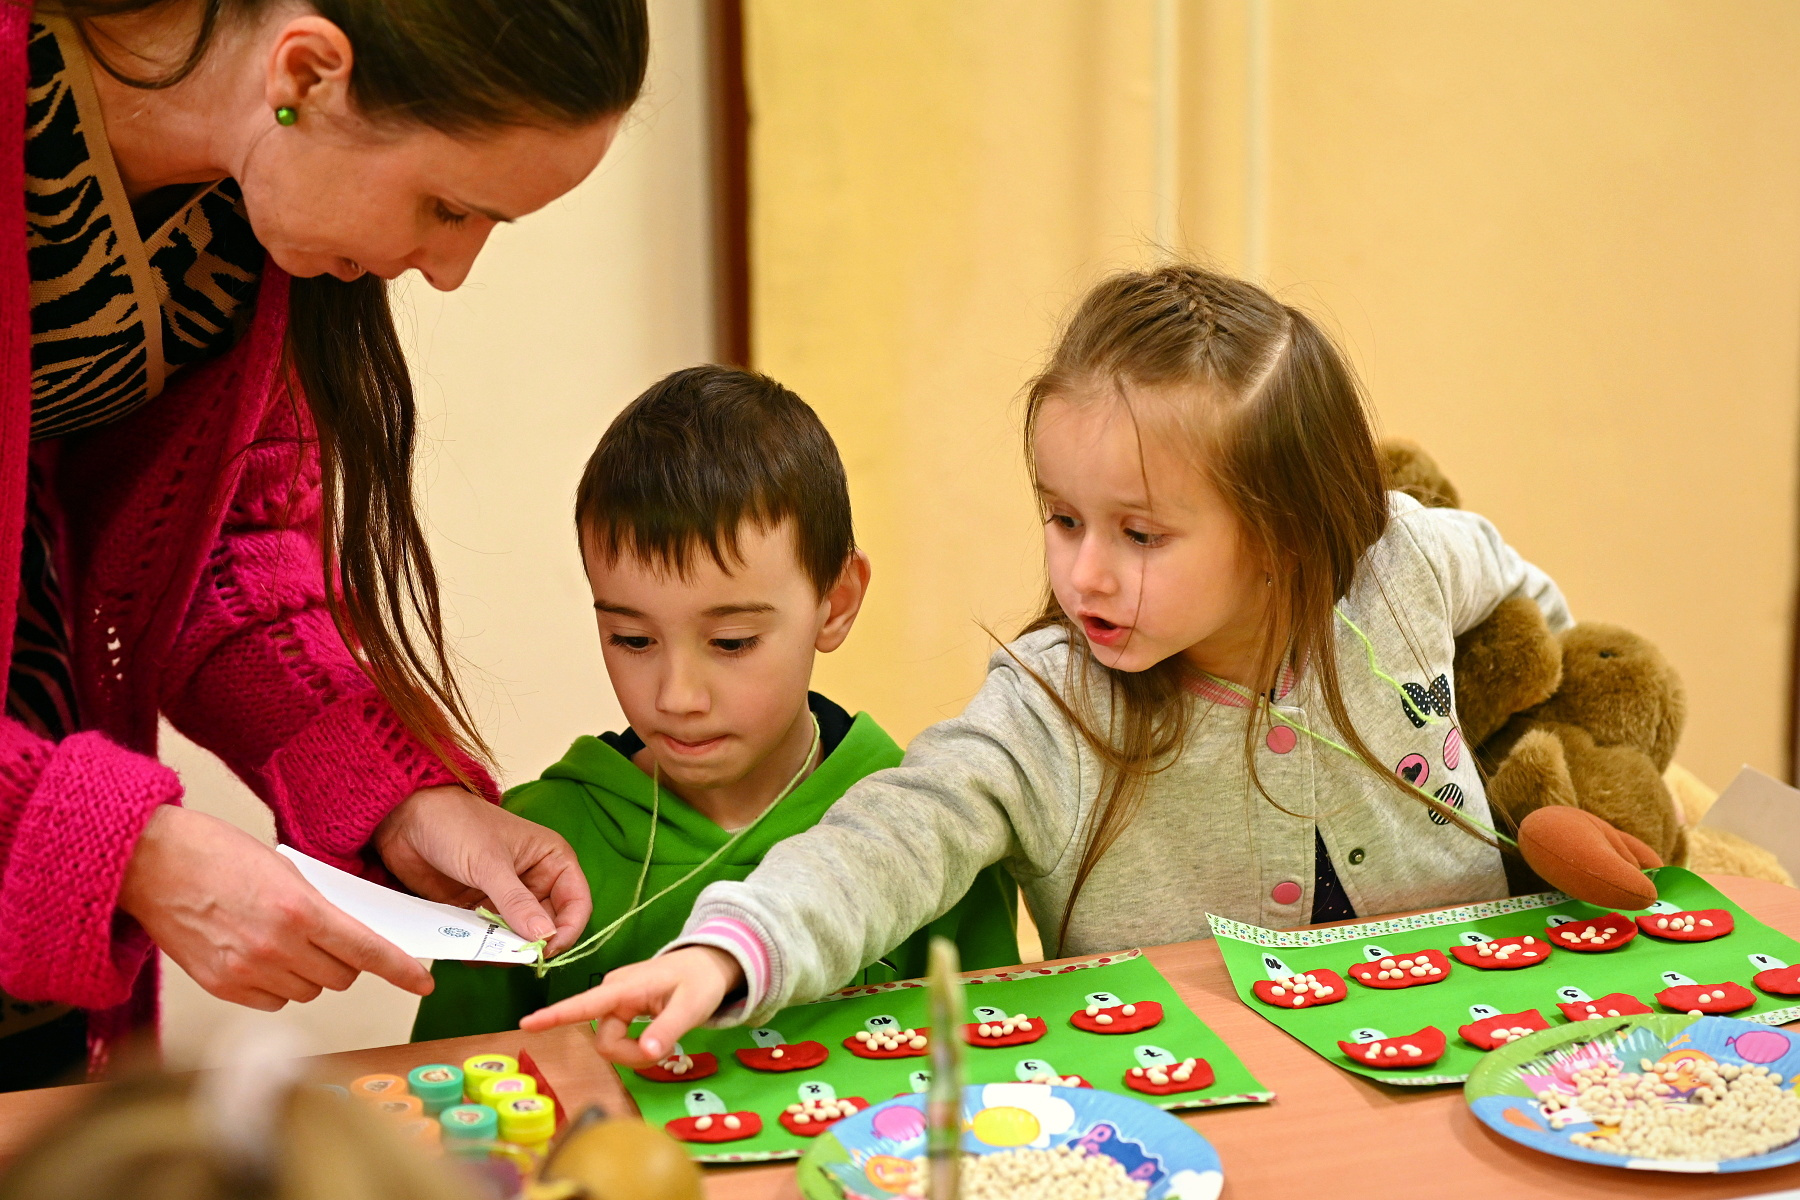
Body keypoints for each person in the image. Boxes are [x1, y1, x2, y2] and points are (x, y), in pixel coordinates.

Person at [519, 263, 1573, 1062]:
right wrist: (731, 948)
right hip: (1201, 1111)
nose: (1084, 574)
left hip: (1493, 1047)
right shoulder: (1048, 705)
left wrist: (1542, 743)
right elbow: (893, 835)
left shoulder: (1406, 560)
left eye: (1138, 534)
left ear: (1284, 530)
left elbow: (1533, 612)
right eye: (1062, 518)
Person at [0, 0, 648, 1086]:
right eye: (447, 207)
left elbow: (218, 547)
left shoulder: (237, 210)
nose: (450, 270)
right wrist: (123, 849)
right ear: (307, 71)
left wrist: (399, 797)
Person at [410, 366, 1019, 1042]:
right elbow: (443, 1088)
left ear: (836, 602)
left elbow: (997, 1064)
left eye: (731, 642)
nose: (677, 697)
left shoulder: (932, 838)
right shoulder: (528, 853)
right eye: (632, 639)